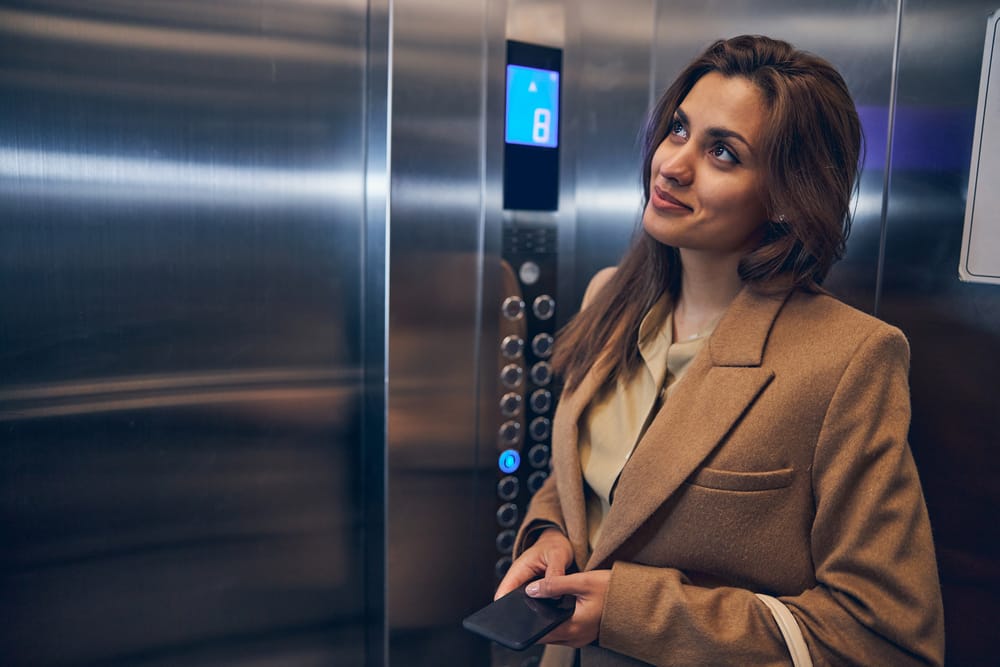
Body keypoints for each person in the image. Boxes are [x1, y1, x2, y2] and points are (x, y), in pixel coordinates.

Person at [494, 35, 945, 666]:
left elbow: (883, 637)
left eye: (723, 153)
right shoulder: (610, 297)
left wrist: (630, 613)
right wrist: (548, 536)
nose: (672, 164)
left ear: (788, 197)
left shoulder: (849, 359)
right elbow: (588, 487)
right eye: (678, 129)